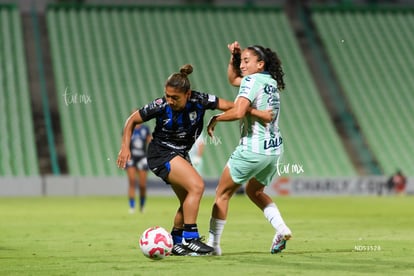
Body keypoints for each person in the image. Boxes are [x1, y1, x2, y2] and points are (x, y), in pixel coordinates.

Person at [117, 64, 271, 256]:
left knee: (187, 199)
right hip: (161, 153)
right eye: (167, 95)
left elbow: (233, 106)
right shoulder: (160, 105)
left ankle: (176, 241)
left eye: (175, 97)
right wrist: (125, 146)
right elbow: (132, 119)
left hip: (180, 154)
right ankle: (191, 239)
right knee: (197, 186)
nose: (170, 100)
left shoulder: (201, 100)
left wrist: (257, 113)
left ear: (188, 94)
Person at [206, 41, 292, 255]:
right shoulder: (269, 81)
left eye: (246, 61)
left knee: (222, 194)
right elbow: (233, 79)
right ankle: (281, 228)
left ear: (260, 64)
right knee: (255, 191)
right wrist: (233, 58)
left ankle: (212, 245)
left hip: (252, 149)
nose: (242, 65)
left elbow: (237, 111)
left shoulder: (252, 80)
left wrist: (217, 117)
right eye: (241, 61)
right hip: (274, 150)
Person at [125, 123, 151, 214]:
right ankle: (132, 206)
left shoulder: (145, 129)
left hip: (142, 157)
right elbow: (124, 142)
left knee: (142, 185)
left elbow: (150, 140)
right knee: (132, 182)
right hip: (131, 157)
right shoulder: (128, 128)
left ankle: (142, 206)